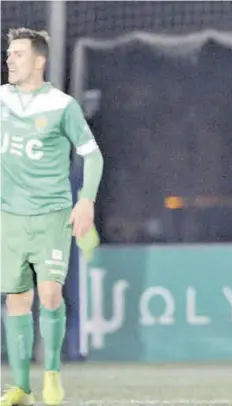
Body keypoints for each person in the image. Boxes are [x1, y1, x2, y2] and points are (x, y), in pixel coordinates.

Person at [1, 28, 104, 406]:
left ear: (39, 60)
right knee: (16, 300)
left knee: (49, 294)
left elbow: (93, 155)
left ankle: (53, 374)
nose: (9, 60)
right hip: (9, 218)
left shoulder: (62, 106)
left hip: (51, 214)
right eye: (8, 54)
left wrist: (87, 201)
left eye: (17, 54)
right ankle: (20, 387)